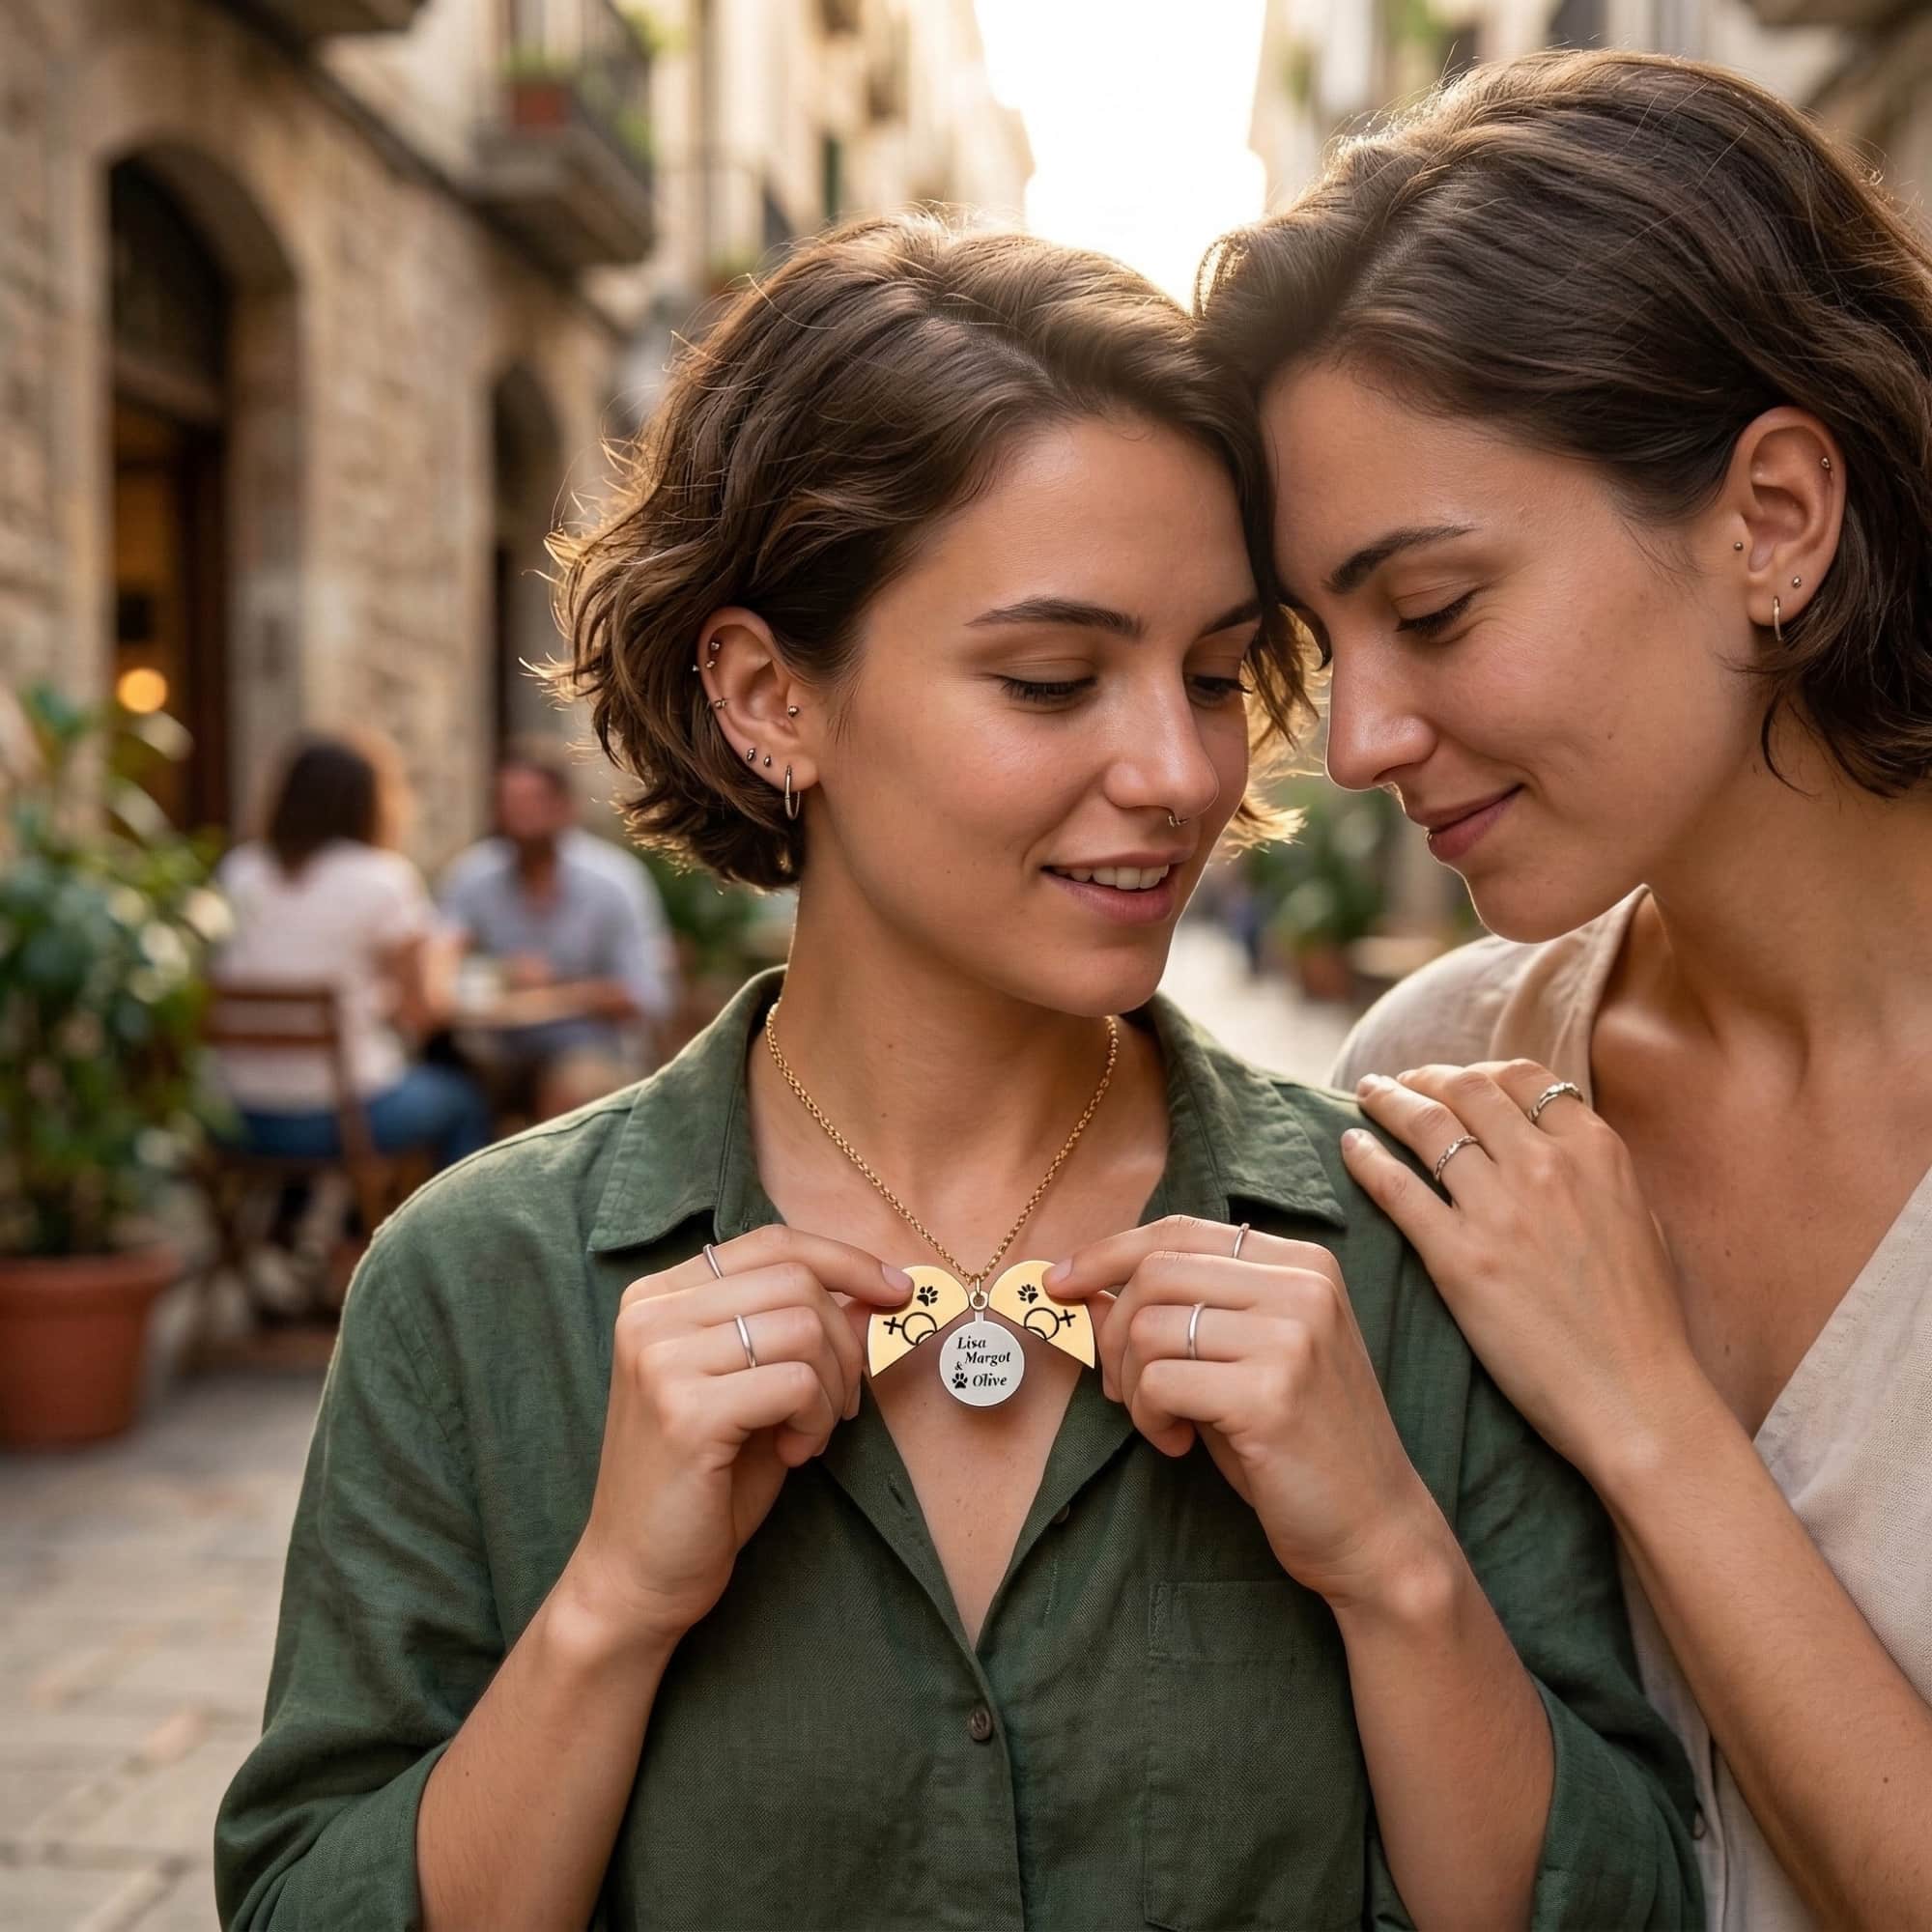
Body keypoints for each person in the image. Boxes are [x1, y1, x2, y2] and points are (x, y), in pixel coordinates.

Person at [214, 214, 1697, 1932]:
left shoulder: (1420, 1254)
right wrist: (607, 1612)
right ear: (769, 697)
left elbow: (1634, 1900)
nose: (1178, 772)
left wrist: (1391, 1568)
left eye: (1215, 677)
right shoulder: (477, 1292)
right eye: (1051, 680)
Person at [1197, 49, 1932, 1932]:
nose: (1357, 739)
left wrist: (1642, 1414)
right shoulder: (1442, 1076)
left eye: (1433, 609)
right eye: (1323, 643)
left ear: (1773, 516)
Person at [213, 731, 490, 1172]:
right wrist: (442, 957)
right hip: (340, 1118)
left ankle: (307, 1212)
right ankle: (442, 1218)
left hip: (236, 1114)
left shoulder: (240, 870)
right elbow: (422, 1012)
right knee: (463, 1101)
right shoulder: (382, 879)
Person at [440, 738, 677, 1120]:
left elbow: (649, 995)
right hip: (498, 1053)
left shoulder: (613, 881)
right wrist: (501, 974)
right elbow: (440, 967)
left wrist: (559, 993)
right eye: (509, 802)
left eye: (531, 801)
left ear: (564, 806)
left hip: (587, 1049)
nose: (520, 815)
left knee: (573, 1087)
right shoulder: (472, 877)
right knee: (444, 1092)